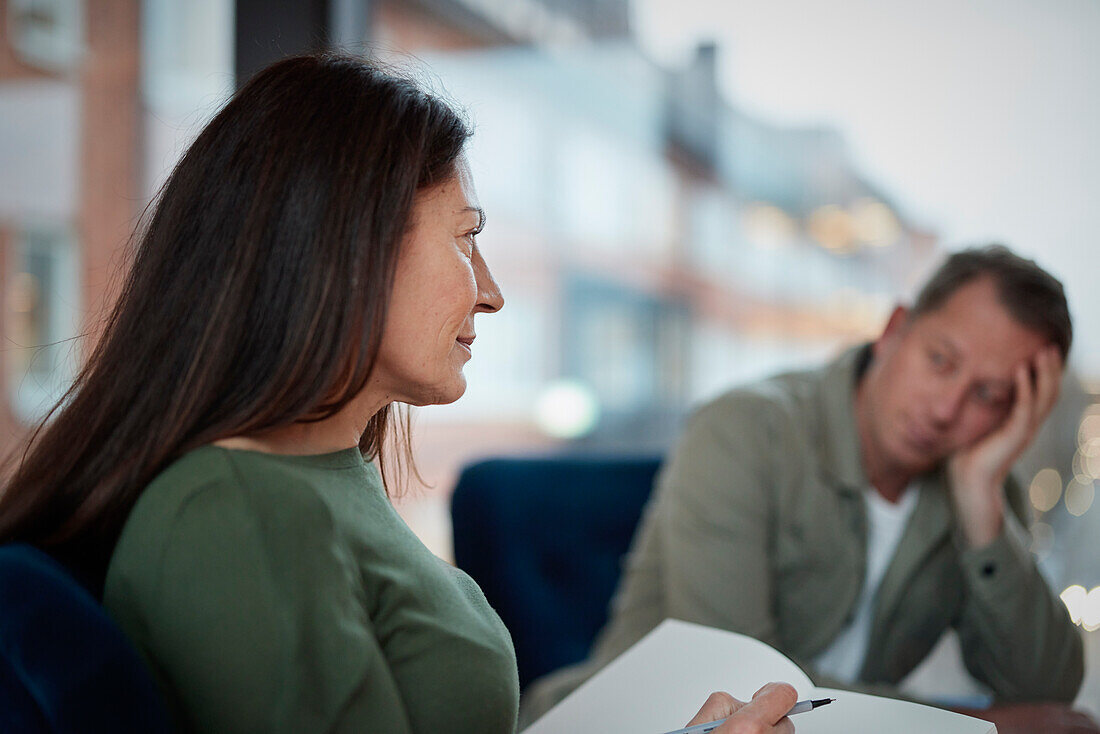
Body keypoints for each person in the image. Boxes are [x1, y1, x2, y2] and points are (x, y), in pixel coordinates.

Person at [0, 54, 796, 734]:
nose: (490, 294)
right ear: (354, 242)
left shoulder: (320, 479)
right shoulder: (234, 510)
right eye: (466, 238)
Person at [524, 246, 1095, 733]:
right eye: (940, 360)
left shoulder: (982, 491)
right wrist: (981, 724)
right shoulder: (745, 430)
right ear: (894, 330)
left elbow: (1048, 693)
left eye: (987, 396)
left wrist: (980, 500)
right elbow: (738, 685)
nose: (947, 409)